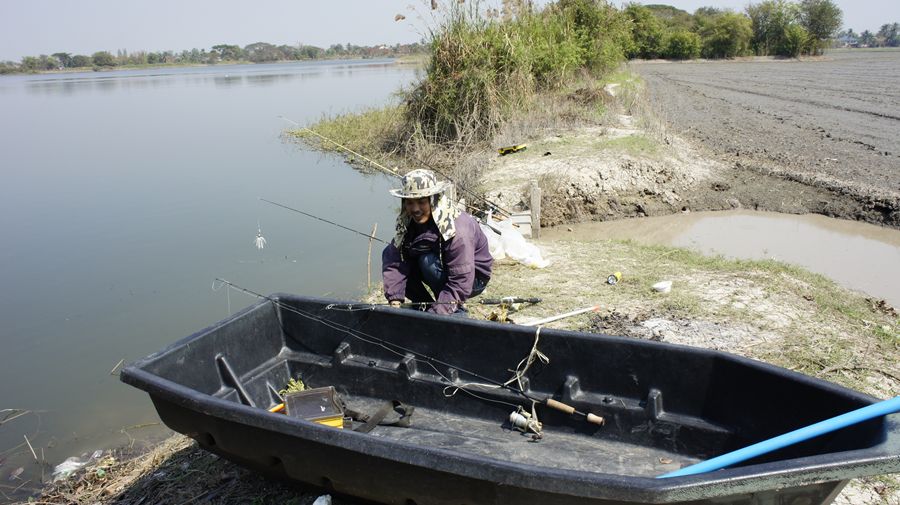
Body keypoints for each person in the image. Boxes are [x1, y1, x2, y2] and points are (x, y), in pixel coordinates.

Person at [382, 169, 493, 315]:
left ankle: (452, 311)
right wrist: (394, 298)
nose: (415, 209)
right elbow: (394, 258)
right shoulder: (408, 222)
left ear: (434, 200)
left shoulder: (457, 229)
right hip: (443, 266)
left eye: (421, 202)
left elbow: (461, 279)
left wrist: (439, 313)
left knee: (426, 261)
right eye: (409, 203)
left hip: (472, 279)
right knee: (399, 259)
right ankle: (424, 307)